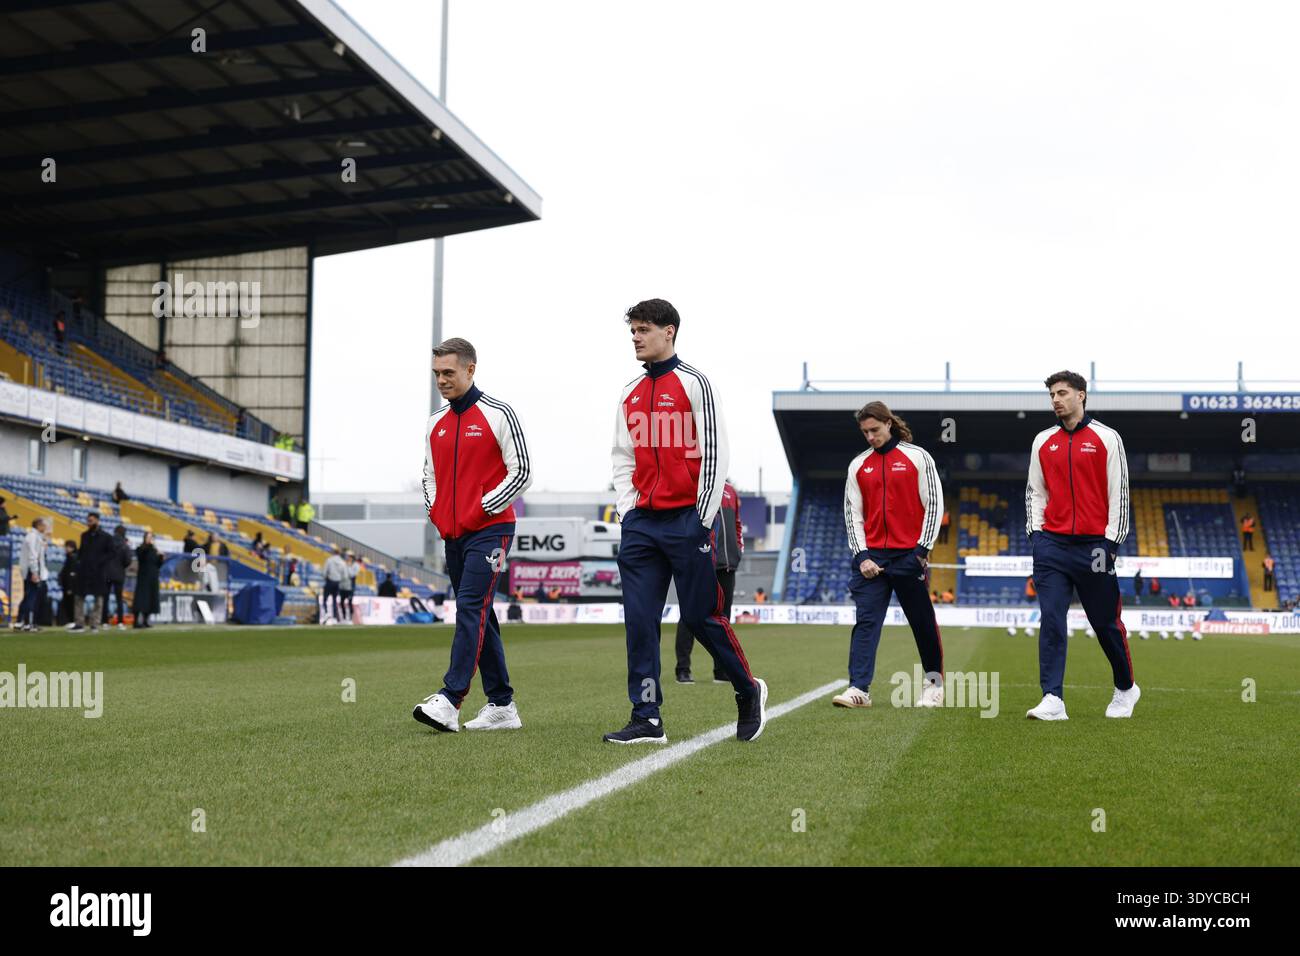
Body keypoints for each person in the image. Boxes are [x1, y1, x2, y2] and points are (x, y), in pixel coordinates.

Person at [604, 298, 766, 744]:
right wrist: (627, 509)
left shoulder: (695, 384)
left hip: (687, 521)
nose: (635, 337)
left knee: (700, 616)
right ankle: (647, 715)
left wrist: (702, 516)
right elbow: (622, 455)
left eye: (643, 329)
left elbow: (715, 452)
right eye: (632, 330)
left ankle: (747, 690)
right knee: (639, 621)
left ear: (669, 331)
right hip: (641, 525)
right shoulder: (629, 392)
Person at [411, 337, 532, 734]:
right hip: (454, 534)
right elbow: (428, 476)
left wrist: (483, 506)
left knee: (469, 606)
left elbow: (522, 472)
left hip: (492, 529)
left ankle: (450, 700)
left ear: (470, 369)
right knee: (481, 612)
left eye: (448, 372)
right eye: (436, 374)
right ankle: (502, 705)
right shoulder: (435, 424)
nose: (441, 381)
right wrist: (436, 510)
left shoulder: (498, 414)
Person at [1025, 370, 1138, 721]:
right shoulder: (1043, 441)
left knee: (1105, 623)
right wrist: (1037, 536)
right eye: (1052, 395)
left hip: (1095, 547)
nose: (1056, 400)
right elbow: (1035, 492)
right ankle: (1052, 699)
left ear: (1081, 395)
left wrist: (1111, 542)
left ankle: (1125, 687)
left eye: (1062, 393)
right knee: (1052, 620)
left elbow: (1118, 493)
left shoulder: (1107, 438)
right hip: (1052, 547)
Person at [835, 401, 945, 710]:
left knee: (922, 622)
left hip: (909, 557)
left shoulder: (917, 457)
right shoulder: (858, 466)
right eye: (865, 432)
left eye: (875, 430)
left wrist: (921, 552)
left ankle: (934, 685)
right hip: (871, 561)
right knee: (866, 621)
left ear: (888, 424)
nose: (870, 437)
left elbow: (934, 505)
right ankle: (859, 689)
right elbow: (852, 515)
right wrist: (862, 557)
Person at [675, 478, 744, 684]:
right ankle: (683, 669)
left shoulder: (731, 490)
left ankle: (721, 669)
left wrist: (738, 550)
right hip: (701, 561)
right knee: (690, 616)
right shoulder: (694, 486)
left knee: (723, 619)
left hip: (727, 565)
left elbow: (737, 524)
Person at [75, 511, 114, 632]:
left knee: (99, 598)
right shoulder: (84, 536)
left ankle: (95, 624)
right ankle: (79, 623)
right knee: (79, 597)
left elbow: (112, 553)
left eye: (91, 521)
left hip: (98, 573)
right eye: (88, 521)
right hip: (84, 572)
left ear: (97, 521)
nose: (89, 523)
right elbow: (81, 552)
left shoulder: (106, 537)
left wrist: (100, 563)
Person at [17, 517, 50, 631]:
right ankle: (28, 624)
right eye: (43, 525)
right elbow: (33, 556)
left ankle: (21, 622)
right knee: (32, 598)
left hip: (31, 571)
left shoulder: (36, 537)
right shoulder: (33, 537)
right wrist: (35, 572)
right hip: (31, 571)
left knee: (28, 597)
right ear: (38, 525)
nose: (45, 527)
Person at [104, 525, 132, 629]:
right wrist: (121, 567)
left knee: (105, 598)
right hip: (119, 574)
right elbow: (128, 561)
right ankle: (120, 622)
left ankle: (105, 622)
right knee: (119, 599)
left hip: (107, 573)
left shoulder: (108, 543)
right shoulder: (124, 545)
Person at [133, 531, 162, 629]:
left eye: (151, 538)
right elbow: (141, 557)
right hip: (143, 578)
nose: (150, 539)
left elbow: (158, 565)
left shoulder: (154, 550)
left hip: (153, 578)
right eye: (148, 537)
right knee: (140, 599)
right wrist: (148, 546)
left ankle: (146, 620)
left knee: (150, 599)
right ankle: (136, 621)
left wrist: (161, 557)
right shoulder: (140, 548)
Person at [57, 540, 80, 626]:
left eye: (68, 547)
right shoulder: (69, 557)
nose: (66, 548)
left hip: (71, 586)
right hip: (67, 585)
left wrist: (70, 587)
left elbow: (71, 574)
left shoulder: (73, 558)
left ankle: (72, 621)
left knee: (71, 604)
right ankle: (70, 621)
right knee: (68, 603)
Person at [322, 546, 346, 622]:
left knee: (325, 599)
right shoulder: (342, 562)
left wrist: (325, 577)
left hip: (329, 581)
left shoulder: (329, 560)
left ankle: (326, 613)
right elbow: (344, 575)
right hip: (337, 582)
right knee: (335, 600)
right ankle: (335, 617)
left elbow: (324, 572)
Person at [338, 552, 358, 622]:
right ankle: (344, 616)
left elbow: (352, 575)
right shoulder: (345, 564)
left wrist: (348, 567)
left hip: (350, 586)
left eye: (350, 557)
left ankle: (350, 617)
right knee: (341, 601)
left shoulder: (355, 565)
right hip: (343, 585)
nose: (348, 558)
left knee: (349, 602)